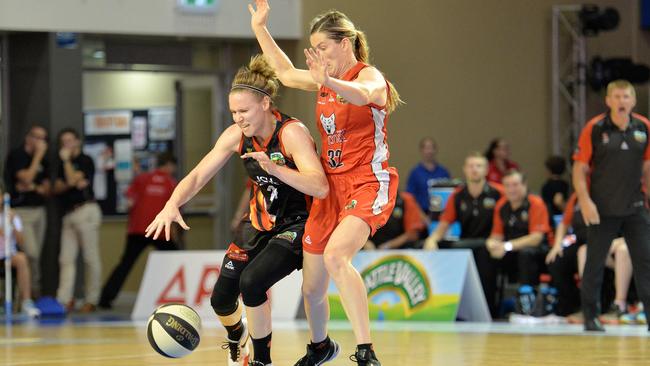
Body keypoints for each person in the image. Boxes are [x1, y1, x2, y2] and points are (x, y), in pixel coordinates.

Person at [145, 55, 328, 366]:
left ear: (266, 104)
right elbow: (198, 176)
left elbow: (320, 186)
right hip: (257, 224)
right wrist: (171, 204)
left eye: (244, 111)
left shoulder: (290, 133)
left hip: (297, 224)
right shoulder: (236, 136)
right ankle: (236, 337)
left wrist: (276, 169)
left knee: (253, 283)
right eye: (233, 112)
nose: (238, 118)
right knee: (221, 299)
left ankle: (262, 361)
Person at [249, 2, 403, 364]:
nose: (317, 56)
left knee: (336, 256)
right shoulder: (323, 80)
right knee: (312, 286)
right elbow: (285, 73)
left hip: (367, 181)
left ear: (345, 42)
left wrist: (329, 81)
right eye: (314, 49)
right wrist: (260, 28)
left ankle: (365, 350)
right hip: (329, 188)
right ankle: (320, 346)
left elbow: (363, 95)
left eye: (322, 48)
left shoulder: (370, 76)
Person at [572, 79, 650, 332]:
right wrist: (585, 201)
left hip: (635, 206)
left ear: (633, 101)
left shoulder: (644, 127)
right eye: (616, 97)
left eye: (626, 97)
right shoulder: (595, 128)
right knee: (593, 263)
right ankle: (590, 316)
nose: (621, 101)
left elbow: (648, 168)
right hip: (601, 208)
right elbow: (579, 168)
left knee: (645, 262)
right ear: (608, 101)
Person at [423, 153, 503, 313]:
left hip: (490, 244)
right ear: (465, 170)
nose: (474, 170)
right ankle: (444, 307)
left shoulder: (498, 193)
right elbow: (444, 223)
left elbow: (501, 224)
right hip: (466, 244)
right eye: (471, 166)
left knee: (485, 253)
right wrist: (432, 239)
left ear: (486, 170)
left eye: (479, 166)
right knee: (433, 246)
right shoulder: (458, 195)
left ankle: (487, 310)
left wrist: (495, 240)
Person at [98, 153, 179, 309]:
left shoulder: (142, 179)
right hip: (160, 230)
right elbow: (175, 211)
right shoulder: (171, 183)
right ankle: (183, 296)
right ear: (169, 165)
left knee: (125, 264)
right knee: (177, 260)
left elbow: (128, 202)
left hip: (138, 230)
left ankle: (105, 299)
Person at [546, 193, 633, 320]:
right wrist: (557, 245)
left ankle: (620, 305)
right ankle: (589, 305)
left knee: (622, 250)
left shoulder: (617, 193)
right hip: (595, 243)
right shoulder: (576, 197)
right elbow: (564, 222)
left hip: (622, 240)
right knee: (582, 252)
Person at [485, 170, 550, 316]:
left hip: (540, 252)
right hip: (511, 250)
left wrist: (507, 246)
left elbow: (536, 238)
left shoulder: (535, 203)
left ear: (524, 185)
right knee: (486, 255)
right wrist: (491, 244)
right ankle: (490, 306)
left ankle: (527, 304)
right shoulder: (501, 206)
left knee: (526, 254)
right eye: (507, 185)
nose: (511, 189)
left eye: (515, 185)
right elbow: (496, 235)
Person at [53, 128, 102, 313]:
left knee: (90, 257)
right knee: (65, 258)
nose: (67, 145)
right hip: (68, 213)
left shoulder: (85, 160)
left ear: (77, 142)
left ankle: (92, 299)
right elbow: (57, 187)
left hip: (86, 210)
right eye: (63, 142)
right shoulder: (60, 164)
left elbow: (74, 180)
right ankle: (64, 299)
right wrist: (70, 181)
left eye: (70, 140)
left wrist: (67, 164)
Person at [3, 125, 51, 297]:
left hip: (39, 211)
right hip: (21, 212)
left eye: (44, 139)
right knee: (30, 252)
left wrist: (33, 187)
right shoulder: (17, 156)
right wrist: (37, 156)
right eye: (37, 138)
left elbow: (46, 189)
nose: (41, 143)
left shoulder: (44, 162)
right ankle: (29, 294)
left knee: (36, 254)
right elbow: (26, 178)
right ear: (28, 138)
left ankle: (33, 291)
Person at [0, 183, 41, 318]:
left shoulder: (11, 215)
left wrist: (12, 223)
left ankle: (26, 302)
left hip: (7, 256)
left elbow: (21, 242)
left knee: (22, 259)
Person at [406, 137, 451, 216]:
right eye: (426, 148)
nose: (429, 151)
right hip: (421, 216)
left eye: (432, 148)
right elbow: (410, 199)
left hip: (442, 215)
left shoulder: (444, 172)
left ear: (435, 150)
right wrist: (423, 218)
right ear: (421, 150)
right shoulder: (415, 173)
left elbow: (450, 197)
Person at [540, 155, 569, 225]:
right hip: (562, 215)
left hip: (554, 217)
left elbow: (558, 200)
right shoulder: (565, 184)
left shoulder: (547, 186)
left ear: (549, 170)